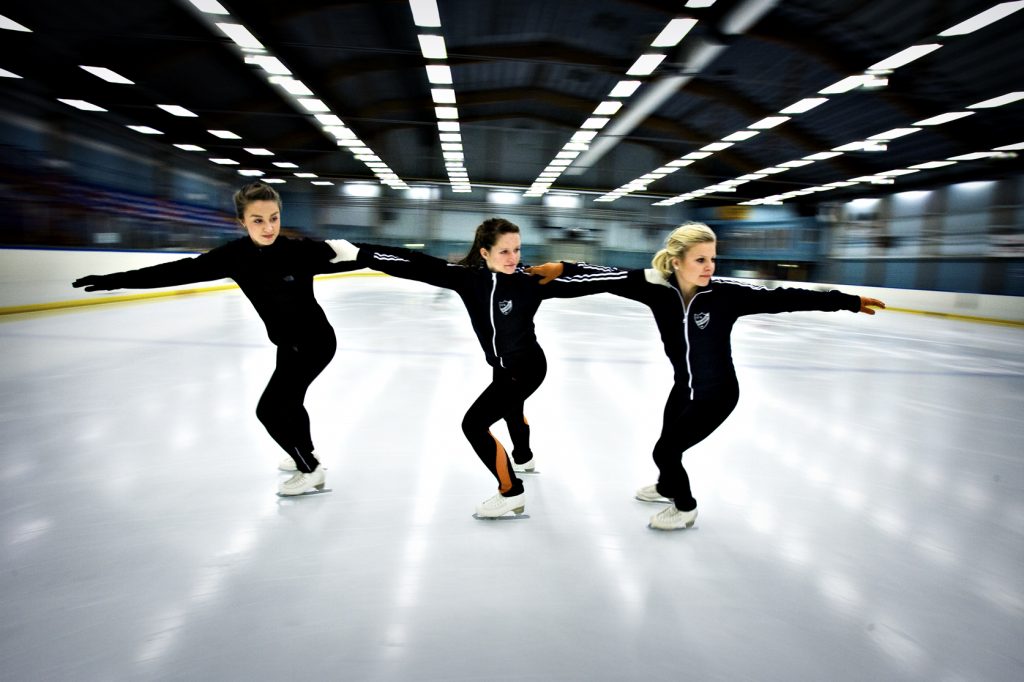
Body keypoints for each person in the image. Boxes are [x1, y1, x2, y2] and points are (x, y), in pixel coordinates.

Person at [528, 222, 886, 530]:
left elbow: (786, 297)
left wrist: (848, 300)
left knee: (665, 451)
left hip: (717, 394)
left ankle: (685, 508)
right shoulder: (652, 286)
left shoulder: (726, 295)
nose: (709, 266)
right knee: (667, 447)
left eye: (712, 259)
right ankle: (668, 486)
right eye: (700, 259)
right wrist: (563, 267)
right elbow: (605, 277)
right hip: (684, 387)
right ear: (676, 261)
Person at [72, 182, 360, 496]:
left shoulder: (297, 250)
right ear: (243, 221)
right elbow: (177, 271)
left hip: (314, 343)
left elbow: (360, 256)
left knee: (270, 410)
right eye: (258, 220)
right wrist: (114, 281)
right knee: (291, 402)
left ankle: (311, 470)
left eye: (274, 218)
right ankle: (305, 454)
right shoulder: (235, 256)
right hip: (288, 343)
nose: (268, 227)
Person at [327, 219, 614, 518]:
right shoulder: (468, 279)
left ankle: (511, 491)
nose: (513, 258)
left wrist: (566, 266)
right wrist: (360, 252)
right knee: (511, 408)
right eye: (504, 251)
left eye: (516, 249)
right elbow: (415, 263)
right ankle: (524, 457)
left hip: (528, 367)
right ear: (485, 253)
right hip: (502, 366)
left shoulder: (530, 280)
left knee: (474, 425)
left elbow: (593, 278)